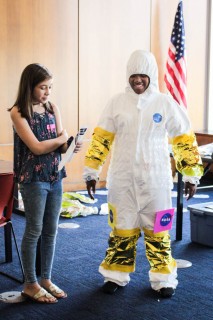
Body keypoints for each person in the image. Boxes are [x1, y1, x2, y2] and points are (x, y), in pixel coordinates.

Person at [83, 50, 203, 298]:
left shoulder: (165, 103)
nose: (138, 81)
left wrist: (191, 175)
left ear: (151, 76)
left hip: (156, 181)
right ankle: (115, 275)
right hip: (122, 179)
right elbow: (101, 139)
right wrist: (91, 171)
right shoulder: (116, 102)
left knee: (158, 231)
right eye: (133, 77)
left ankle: (163, 279)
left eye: (143, 76)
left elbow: (184, 139)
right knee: (122, 230)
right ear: (128, 77)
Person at [9, 63, 81, 304]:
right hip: (32, 179)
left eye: (50, 87)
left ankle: (46, 278)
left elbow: (60, 144)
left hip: (54, 175)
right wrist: (59, 139)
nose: (48, 92)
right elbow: (36, 147)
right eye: (43, 87)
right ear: (29, 86)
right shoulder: (18, 111)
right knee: (34, 230)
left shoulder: (52, 108)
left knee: (51, 230)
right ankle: (30, 283)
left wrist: (69, 144)